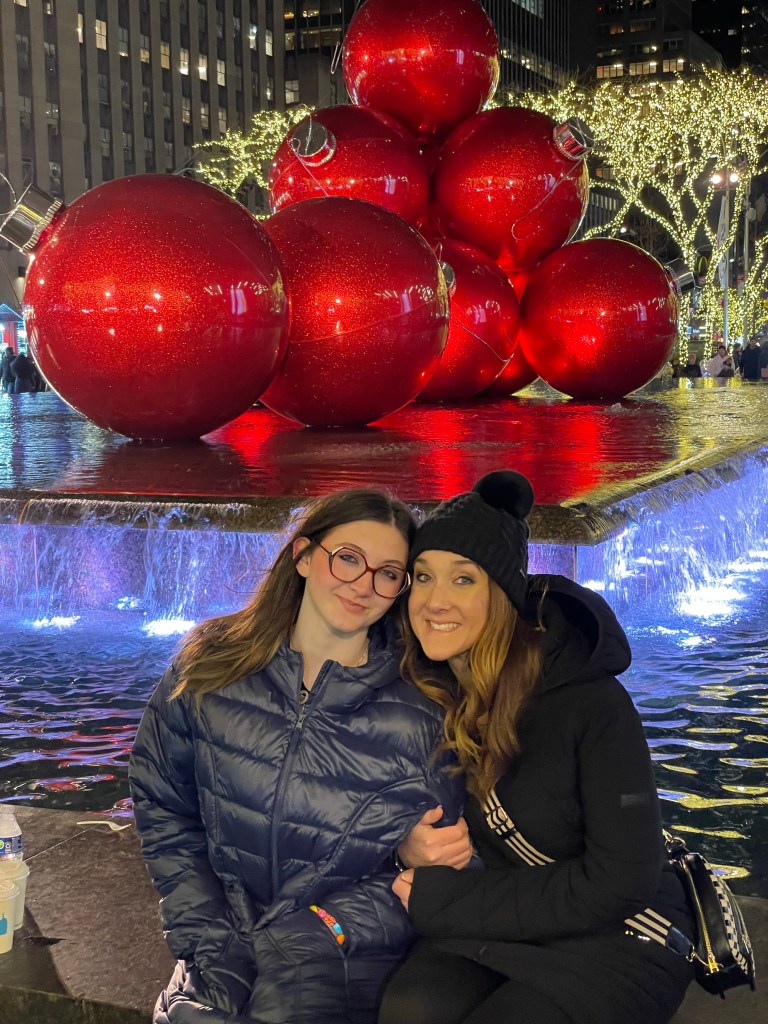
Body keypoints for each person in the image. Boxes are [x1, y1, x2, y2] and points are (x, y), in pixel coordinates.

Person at [129, 488, 471, 1024]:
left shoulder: (424, 710)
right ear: (305, 557)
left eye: (387, 573)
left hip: (342, 964)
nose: (363, 585)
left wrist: (319, 933)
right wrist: (204, 934)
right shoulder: (209, 666)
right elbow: (163, 805)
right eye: (348, 558)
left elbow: (443, 872)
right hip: (218, 955)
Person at [380, 471, 694, 1024]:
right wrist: (404, 844)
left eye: (463, 580)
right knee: (409, 1011)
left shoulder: (588, 700)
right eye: (422, 577)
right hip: (502, 920)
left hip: (619, 935)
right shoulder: (423, 688)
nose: (434, 601)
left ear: (502, 593)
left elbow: (622, 880)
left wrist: (450, 903)